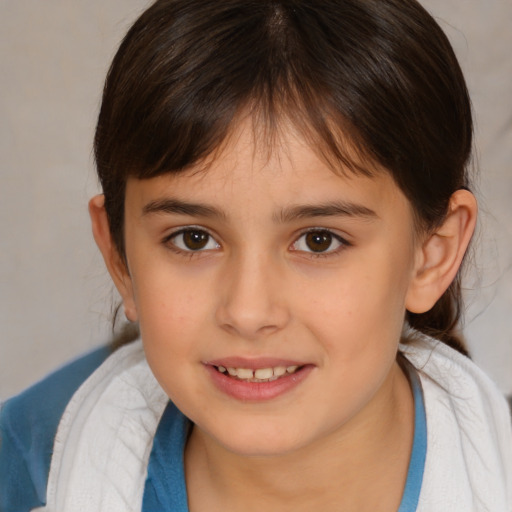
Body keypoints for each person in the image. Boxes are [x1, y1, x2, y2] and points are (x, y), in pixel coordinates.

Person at [1, 0, 511, 510]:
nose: (248, 312)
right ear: (119, 255)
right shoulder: (27, 470)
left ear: (431, 254)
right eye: (193, 239)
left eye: (319, 240)